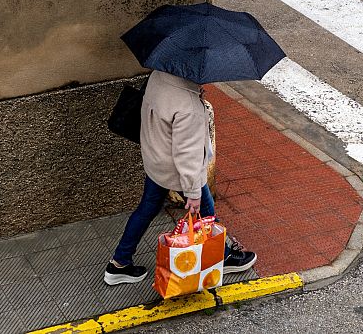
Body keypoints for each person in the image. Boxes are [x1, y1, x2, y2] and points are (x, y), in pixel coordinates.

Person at [104, 70, 256, 285]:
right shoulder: (188, 108)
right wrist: (193, 192)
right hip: (177, 171)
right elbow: (187, 155)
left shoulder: (158, 76)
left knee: (146, 209)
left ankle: (119, 263)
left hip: (156, 162)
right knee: (207, 212)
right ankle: (223, 257)